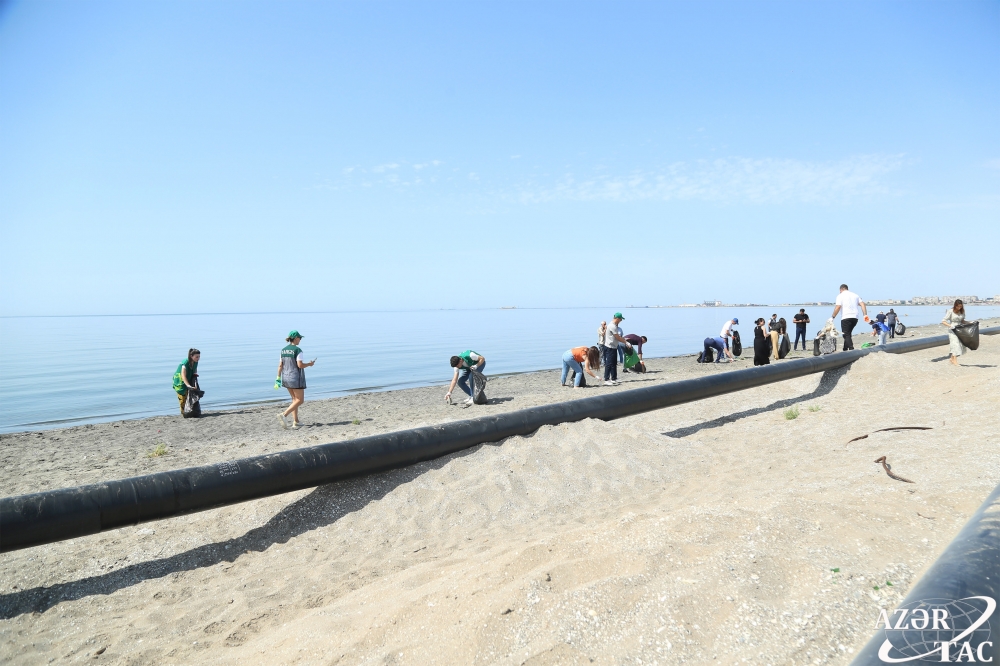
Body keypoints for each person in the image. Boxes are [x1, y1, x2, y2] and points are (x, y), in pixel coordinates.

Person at [277, 331, 315, 429]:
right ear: (295, 338)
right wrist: (309, 364)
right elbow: (300, 365)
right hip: (295, 378)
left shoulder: (283, 350)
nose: (300, 340)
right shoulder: (298, 350)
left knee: (294, 400)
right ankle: (284, 415)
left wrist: (278, 378)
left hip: (285, 377)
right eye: (299, 338)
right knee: (300, 400)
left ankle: (296, 421)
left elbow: (280, 365)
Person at [832, 284, 868, 351]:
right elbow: (863, 304)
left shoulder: (840, 296)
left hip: (846, 317)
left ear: (841, 289)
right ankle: (845, 348)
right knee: (848, 333)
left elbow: (838, 307)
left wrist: (833, 317)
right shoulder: (855, 295)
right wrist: (865, 315)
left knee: (846, 334)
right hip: (855, 317)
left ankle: (851, 349)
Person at [603, 313, 630, 385]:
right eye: (620, 319)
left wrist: (624, 340)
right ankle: (606, 379)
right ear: (617, 318)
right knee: (609, 363)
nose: (621, 321)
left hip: (614, 346)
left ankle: (614, 378)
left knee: (614, 363)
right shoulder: (612, 326)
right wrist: (626, 342)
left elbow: (618, 337)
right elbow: (617, 337)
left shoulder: (614, 325)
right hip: (610, 347)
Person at [172, 348, 200, 415]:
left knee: (189, 396)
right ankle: (183, 413)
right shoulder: (185, 363)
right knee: (182, 399)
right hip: (180, 381)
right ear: (191, 356)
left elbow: (194, 370)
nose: (198, 358)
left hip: (188, 378)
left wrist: (194, 379)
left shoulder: (195, 362)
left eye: (199, 356)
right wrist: (188, 385)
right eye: (196, 357)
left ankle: (189, 411)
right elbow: (183, 375)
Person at [942, 299, 967, 366]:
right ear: (955, 305)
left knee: (961, 344)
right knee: (955, 344)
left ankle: (951, 359)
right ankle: (955, 361)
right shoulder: (950, 311)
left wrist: (971, 323)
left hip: (960, 329)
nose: (959, 308)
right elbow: (943, 321)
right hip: (952, 329)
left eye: (960, 306)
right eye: (958, 306)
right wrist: (950, 325)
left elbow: (963, 321)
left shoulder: (962, 311)